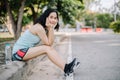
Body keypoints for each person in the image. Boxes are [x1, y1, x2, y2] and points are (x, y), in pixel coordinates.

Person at [12, 8, 80, 76]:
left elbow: (50, 42)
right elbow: (49, 44)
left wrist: (50, 28)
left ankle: (66, 67)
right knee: (46, 48)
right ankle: (66, 68)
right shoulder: (39, 28)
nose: (53, 20)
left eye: (55, 18)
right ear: (46, 17)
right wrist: (51, 28)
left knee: (47, 48)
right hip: (18, 53)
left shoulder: (45, 28)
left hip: (24, 52)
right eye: (51, 17)